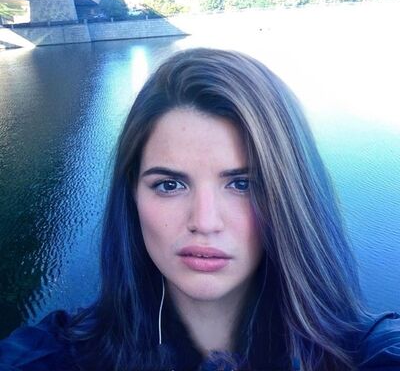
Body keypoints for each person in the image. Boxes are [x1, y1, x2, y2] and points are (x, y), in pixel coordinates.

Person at [0, 48, 399, 371]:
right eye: (169, 185)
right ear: (132, 196)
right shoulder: (57, 356)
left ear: (293, 196)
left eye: (242, 184)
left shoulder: (367, 353)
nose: (204, 222)